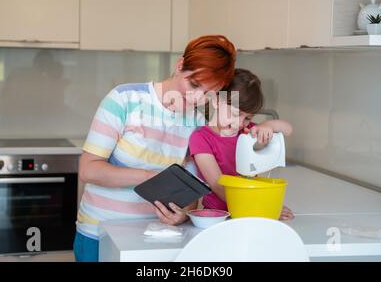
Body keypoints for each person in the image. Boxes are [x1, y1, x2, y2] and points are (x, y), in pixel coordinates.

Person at [74, 35, 236, 262]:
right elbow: (89, 170)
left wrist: (182, 215)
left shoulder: (197, 124)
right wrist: (152, 177)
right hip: (100, 234)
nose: (196, 98)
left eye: (208, 93)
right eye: (194, 84)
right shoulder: (125, 99)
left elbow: (190, 190)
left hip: (155, 239)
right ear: (179, 66)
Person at [189, 68, 295, 220]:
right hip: (219, 215)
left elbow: (288, 129)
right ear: (217, 101)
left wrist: (267, 125)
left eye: (247, 118)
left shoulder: (245, 131)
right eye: (235, 114)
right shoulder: (200, 138)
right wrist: (262, 206)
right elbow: (219, 186)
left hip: (250, 210)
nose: (239, 123)